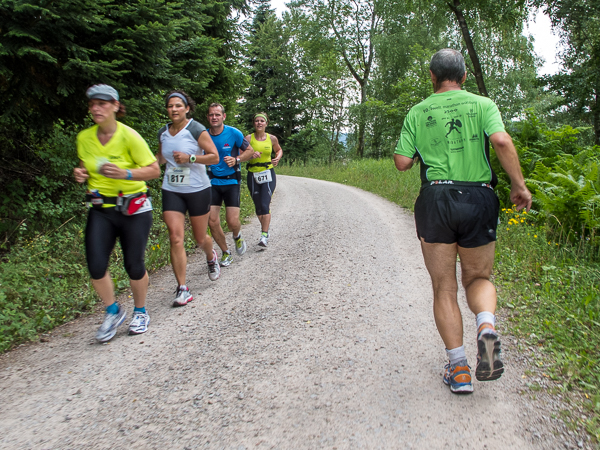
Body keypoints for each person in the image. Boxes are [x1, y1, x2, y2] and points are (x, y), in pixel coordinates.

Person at [394, 49, 532, 394]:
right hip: (478, 197)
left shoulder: (418, 111)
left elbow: (402, 162)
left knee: (444, 287)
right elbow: (501, 140)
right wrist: (519, 185)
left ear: (432, 76)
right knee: (478, 278)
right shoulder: (483, 105)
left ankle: (458, 370)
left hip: (436, 198)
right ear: (464, 76)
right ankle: (486, 327)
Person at [73, 84, 161, 342]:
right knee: (96, 265)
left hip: (133, 207)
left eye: (102, 103)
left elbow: (154, 170)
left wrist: (126, 173)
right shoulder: (84, 137)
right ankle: (113, 311)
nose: (96, 108)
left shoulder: (129, 136)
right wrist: (81, 173)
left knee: (134, 264)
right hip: (101, 209)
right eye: (92, 104)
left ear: (115, 106)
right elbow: (85, 166)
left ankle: (140, 311)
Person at [157, 90, 220, 307]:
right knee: (175, 237)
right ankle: (182, 288)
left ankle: (211, 255)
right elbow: (160, 159)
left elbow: (214, 157)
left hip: (197, 189)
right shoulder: (163, 132)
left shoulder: (195, 129)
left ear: (187, 108)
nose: (173, 109)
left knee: (200, 239)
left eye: (178, 105)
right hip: (172, 189)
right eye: (170, 106)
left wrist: (190, 157)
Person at [206, 103, 260, 266]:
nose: (214, 117)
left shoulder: (234, 133)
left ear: (224, 116)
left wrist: (236, 159)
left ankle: (237, 235)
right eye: (211, 115)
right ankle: (226, 252)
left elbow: (250, 151)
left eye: (217, 114)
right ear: (207, 117)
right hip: (212, 181)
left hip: (231, 181)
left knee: (232, 222)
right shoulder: (204, 136)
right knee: (212, 220)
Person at [245, 112, 283, 248]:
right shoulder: (248, 138)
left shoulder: (272, 138)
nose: (259, 123)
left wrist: (277, 158)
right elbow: (240, 155)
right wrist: (250, 155)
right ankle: (265, 230)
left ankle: (264, 235)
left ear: (266, 123)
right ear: (253, 123)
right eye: (257, 121)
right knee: (258, 207)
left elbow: (279, 150)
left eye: (262, 121)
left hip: (268, 173)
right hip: (252, 174)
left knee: (265, 204)